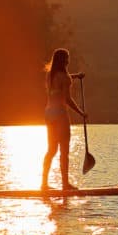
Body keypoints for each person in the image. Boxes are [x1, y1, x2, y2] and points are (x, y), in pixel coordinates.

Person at [41, 48, 87, 191]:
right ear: (64, 60)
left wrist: (76, 76)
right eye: (67, 58)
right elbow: (67, 99)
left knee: (51, 150)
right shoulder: (65, 78)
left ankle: (44, 184)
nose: (69, 60)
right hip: (60, 114)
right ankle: (65, 184)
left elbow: (61, 81)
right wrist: (81, 113)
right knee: (64, 150)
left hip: (48, 114)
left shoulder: (50, 75)